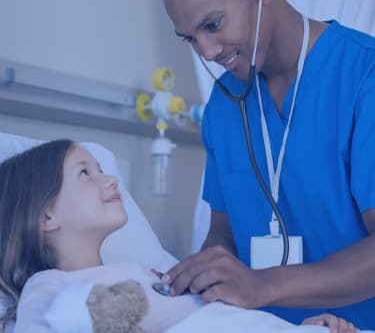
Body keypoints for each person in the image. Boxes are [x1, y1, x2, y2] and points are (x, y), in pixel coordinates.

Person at [160, 0, 375, 330]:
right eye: (191, 38)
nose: (207, 51)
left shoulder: (362, 75)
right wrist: (203, 275)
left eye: (212, 25)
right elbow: (223, 233)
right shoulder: (224, 102)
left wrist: (263, 285)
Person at [0, 140, 356, 333]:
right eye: (85, 173)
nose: (110, 179)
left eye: (103, 169)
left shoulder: (149, 271)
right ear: (45, 215)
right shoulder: (48, 287)